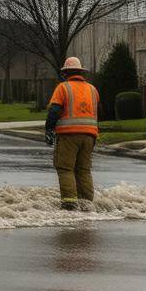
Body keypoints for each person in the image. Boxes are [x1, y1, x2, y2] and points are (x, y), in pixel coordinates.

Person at [44, 56, 99, 211]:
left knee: (65, 168)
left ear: (65, 73)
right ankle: (87, 204)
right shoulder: (92, 89)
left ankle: (70, 203)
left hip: (69, 135)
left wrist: (48, 129)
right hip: (90, 135)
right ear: (81, 72)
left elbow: (54, 110)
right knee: (84, 169)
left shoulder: (63, 87)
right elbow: (97, 113)